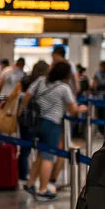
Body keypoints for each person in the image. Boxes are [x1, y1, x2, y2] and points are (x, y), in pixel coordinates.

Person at [23, 61, 86, 200]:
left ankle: (30, 183)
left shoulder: (40, 81)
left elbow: (27, 96)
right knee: (48, 157)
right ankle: (43, 190)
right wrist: (81, 109)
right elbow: (72, 109)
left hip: (36, 122)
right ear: (66, 75)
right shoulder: (64, 88)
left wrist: (25, 111)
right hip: (51, 124)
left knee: (40, 153)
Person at [16, 61, 49, 181]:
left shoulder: (25, 79)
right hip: (38, 118)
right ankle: (37, 174)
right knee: (41, 150)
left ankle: (23, 174)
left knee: (24, 149)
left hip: (24, 118)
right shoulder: (43, 82)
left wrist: (20, 111)